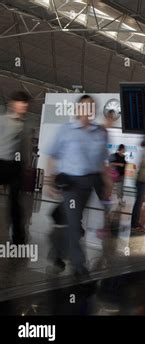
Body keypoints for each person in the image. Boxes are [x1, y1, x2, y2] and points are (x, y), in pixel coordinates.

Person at [45, 95, 111, 278]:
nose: (87, 111)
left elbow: (102, 162)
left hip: (89, 183)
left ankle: (56, 252)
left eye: (91, 108)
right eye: (83, 107)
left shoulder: (100, 133)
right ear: (77, 109)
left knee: (74, 225)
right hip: (70, 184)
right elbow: (52, 156)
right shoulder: (65, 130)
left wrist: (107, 182)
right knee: (74, 224)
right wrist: (50, 182)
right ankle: (79, 266)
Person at [0, 91, 31, 245]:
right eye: (20, 103)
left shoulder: (25, 126)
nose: (23, 106)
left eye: (25, 104)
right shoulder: (3, 121)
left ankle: (19, 238)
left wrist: (26, 167)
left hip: (15, 168)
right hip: (1, 163)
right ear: (13, 104)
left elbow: (25, 149)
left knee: (15, 204)